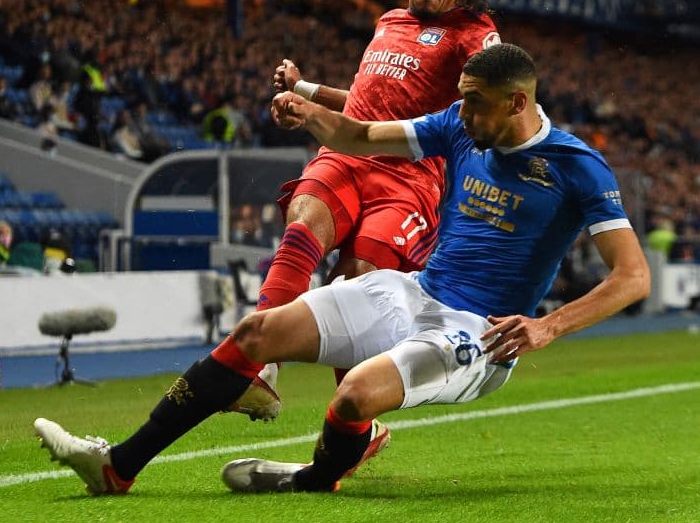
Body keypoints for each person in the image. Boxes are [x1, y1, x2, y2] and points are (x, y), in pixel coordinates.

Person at [33, 42, 650, 496]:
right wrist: (310, 115)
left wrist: (546, 327)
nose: (461, 117)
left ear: (517, 102)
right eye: (460, 103)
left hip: (478, 332)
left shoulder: (577, 166)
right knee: (258, 332)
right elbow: (362, 133)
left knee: (354, 396)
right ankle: (118, 465)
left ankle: (311, 480)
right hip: (415, 292)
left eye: (475, 106)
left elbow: (632, 276)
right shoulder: (460, 128)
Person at [231, 0, 501, 420]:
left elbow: (497, 94)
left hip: (409, 175)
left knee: (356, 283)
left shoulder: (472, 34)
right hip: (349, 154)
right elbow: (366, 101)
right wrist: (306, 93)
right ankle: (260, 371)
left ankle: (358, 422)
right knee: (303, 223)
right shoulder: (389, 22)